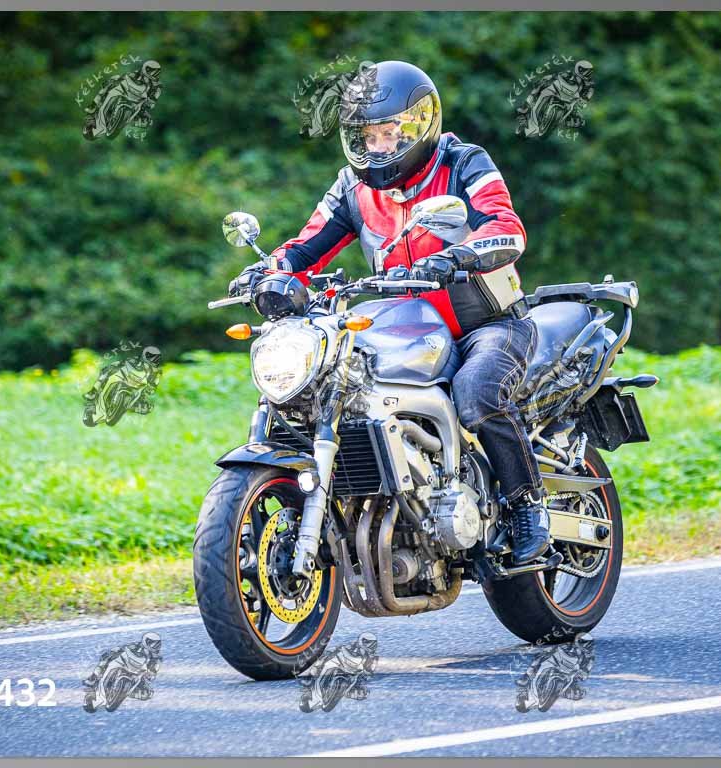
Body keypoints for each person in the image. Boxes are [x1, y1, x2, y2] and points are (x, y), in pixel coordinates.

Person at [230, 60, 549, 563]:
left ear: (420, 124)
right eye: (368, 136)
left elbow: (505, 227)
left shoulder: (463, 163)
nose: (378, 147)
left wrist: (457, 256)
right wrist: (269, 271)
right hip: (407, 330)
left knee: (476, 395)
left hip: (485, 324)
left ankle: (528, 505)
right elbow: (307, 247)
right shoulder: (352, 188)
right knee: (333, 387)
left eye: (389, 134)